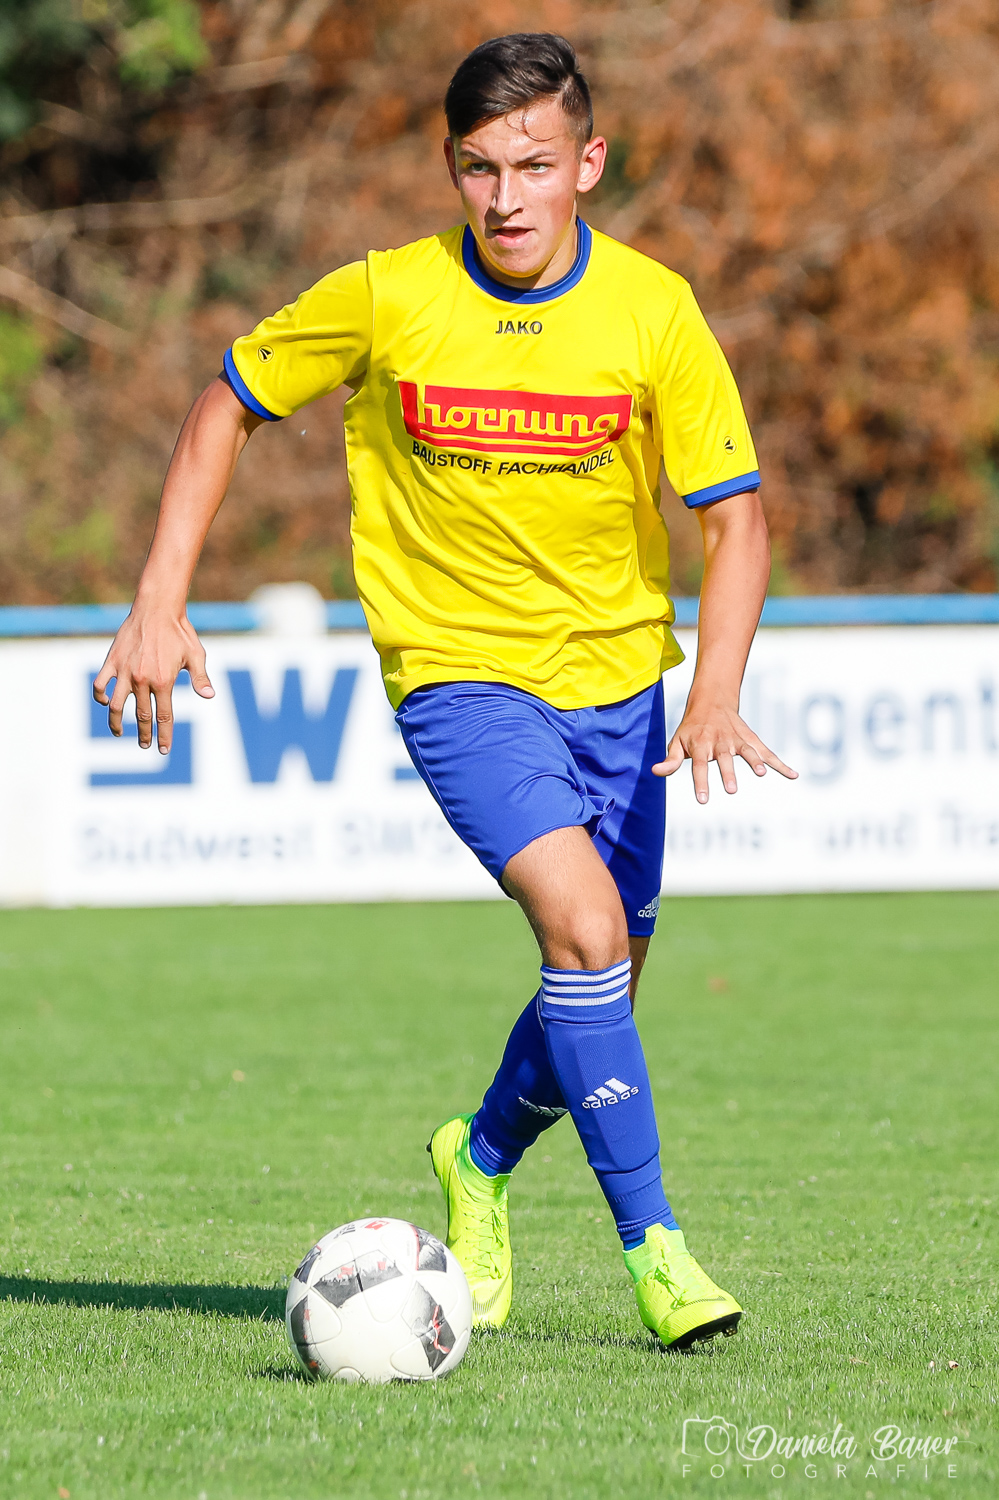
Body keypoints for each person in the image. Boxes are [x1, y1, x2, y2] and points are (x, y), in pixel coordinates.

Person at [95, 32, 797, 1351]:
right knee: (583, 931)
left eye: (534, 166)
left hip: (620, 693)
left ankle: (477, 1159)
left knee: (609, 970)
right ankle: (659, 1255)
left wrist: (714, 692)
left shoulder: (653, 311)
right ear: (451, 169)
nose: (506, 197)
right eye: (479, 169)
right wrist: (157, 598)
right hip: (458, 679)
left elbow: (735, 518)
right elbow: (225, 404)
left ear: (589, 163)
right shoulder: (386, 295)